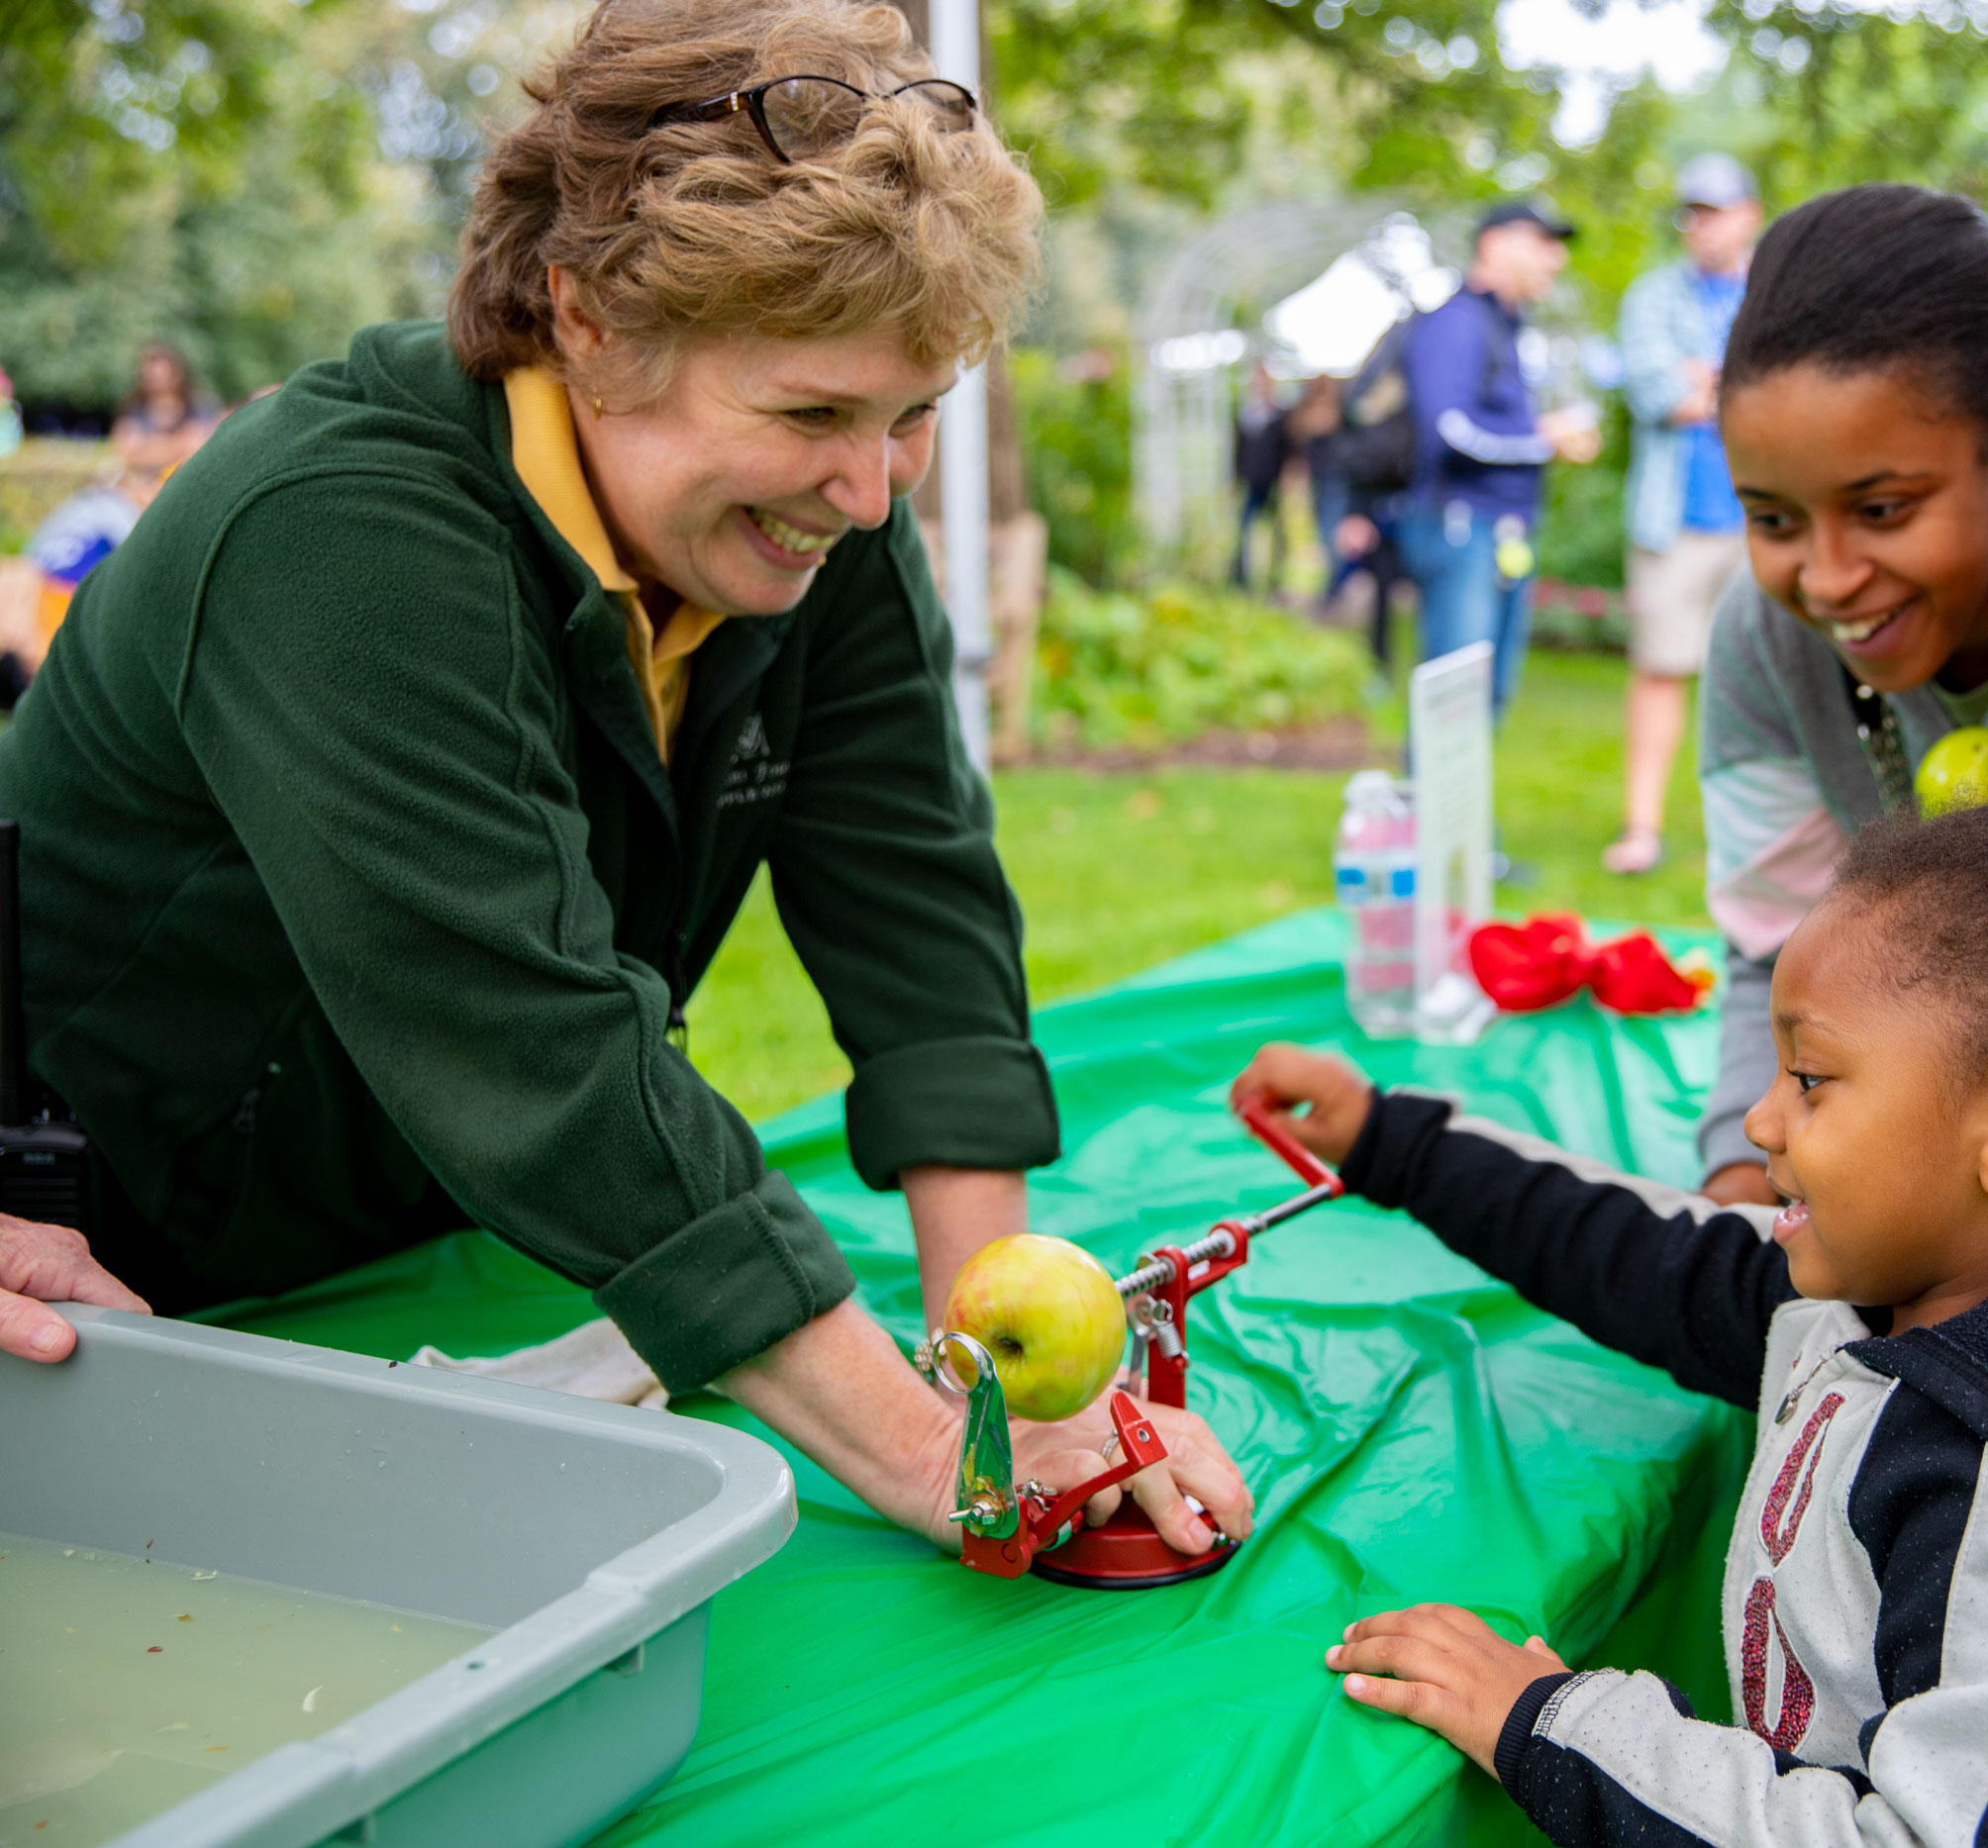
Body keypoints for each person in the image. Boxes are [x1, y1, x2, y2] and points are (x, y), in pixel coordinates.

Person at [0, 0, 1251, 1562]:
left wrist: (1002, 1375)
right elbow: (535, 1040)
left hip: (417, 1238)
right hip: (96, 1270)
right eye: (810, 410)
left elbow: (916, 908)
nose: (870, 493)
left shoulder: (815, 518)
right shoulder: (337, 534)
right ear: (587, 320)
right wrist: (939, 1455)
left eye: (915, 412)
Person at [1238, 661, 1988, 1844]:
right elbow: (1644, 1253)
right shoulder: (1891, 1295)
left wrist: (1549, 1720)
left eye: (1810, 1078)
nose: (1759, 1120)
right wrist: (1390, 1142)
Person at [1694, 186, 1988, 1205]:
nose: (1827, 578)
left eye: (1882, 508)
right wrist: (1741, 1190)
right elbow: (1774, 950)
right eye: (1773, 519)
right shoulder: (1764, 639)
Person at [1602, 154, 1760, 876]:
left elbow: (1799, 395)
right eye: (1692, 212)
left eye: (1716, 211)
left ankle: (1760, 835)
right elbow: (1653, 392)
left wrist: (1708, 380)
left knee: (1766, 682)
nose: (1702, 226)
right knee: (1661, 670)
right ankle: (1642, 829)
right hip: (1672, 523)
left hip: (1763, 521)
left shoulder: (1777, 291)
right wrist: (1737, 385)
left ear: (1750, 214)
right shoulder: (1653, 295)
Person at [1396, 198, 1600, 717]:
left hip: (1504, 532)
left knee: (1488, 697)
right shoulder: (1458, 323)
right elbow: (1450, 432)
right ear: (1493, 244)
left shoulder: (1507, 328)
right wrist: (1543, 439)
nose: (1556, 258)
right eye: (1542, 243)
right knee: (1455, 706)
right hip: (1462, 529)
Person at [110, 341, 219, 481]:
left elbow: (203, 448)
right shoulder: (132, 409)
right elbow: (129, 455)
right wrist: (180, 443)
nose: (155, 379)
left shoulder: (199, 406)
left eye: (161, 374)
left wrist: (150, 446)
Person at [1230, 360, 1290, 590]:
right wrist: (1234, 480)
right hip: (1250, 481)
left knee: (1276, 531)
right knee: (1243, 530)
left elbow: (1286, 449)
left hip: (1272, 481)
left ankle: (1275, 577)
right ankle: (1240, 578)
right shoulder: (1245, 416)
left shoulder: (1279, 416)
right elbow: (1237, 451)